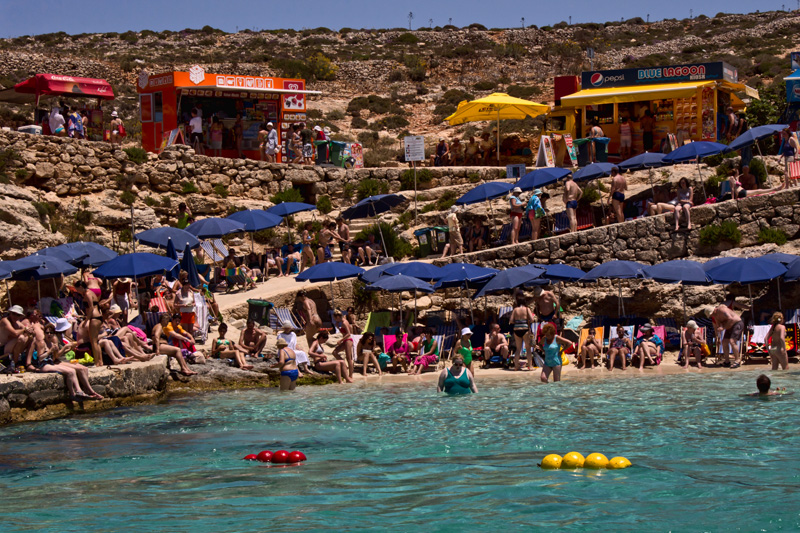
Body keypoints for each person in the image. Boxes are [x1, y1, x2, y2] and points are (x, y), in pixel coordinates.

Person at [25, 320, 103, 401]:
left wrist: (56, 351)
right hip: (44, 365)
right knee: (71, 372)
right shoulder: (42, 343)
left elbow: (55, 358)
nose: (49, 334)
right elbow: (40, 358)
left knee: (73, 370)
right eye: (47, 333)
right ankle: (74, 393)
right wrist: (50, 351)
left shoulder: (52, 344)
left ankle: (81, 391)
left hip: (51, 363)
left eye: (51, 333)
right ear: (44, 333)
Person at [707, 298, 748, 368]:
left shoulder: (722, 309)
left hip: (737, 323)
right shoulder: (715, 316)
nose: (712, 316)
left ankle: (737, 361)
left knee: (732, 341)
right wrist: (718, 338)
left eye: (711, 314)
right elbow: (718, 326)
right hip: (729, 326)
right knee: (724, 342)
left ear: (714, 310)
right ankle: (727, 361)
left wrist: (723, 328)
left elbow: (731, 319)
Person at [73, 281, 104, 367]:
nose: (77, 291)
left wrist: (86, 320)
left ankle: (97, 362)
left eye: (77, 289)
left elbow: (90, 307)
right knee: (96, 341)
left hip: (94, 317)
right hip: (98, 317)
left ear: (80, 286)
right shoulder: (91, 292)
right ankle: (100, 361)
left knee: (93, 341)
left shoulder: (87, 293)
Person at [510, 295, 535, 371]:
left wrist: (517, 321)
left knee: (518, 349)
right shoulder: (527, 309)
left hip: (516, 329)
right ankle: (530, 366)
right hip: (525, 329)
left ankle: (516, 366)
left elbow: (511, 320)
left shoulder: (515, 310)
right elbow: (532, 319)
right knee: (528, 349)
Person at [331, 309, 355, 378]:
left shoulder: (344, 322)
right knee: (335, 352)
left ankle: (350, 375)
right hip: (345, 340)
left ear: (337, 317)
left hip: (348, 340)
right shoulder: (341, 322)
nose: (334, 320)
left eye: (335, 318)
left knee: (349, 358)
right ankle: (343, 364)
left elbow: (348, 333)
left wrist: (340, 340)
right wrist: (338, 327)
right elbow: (343, 332)